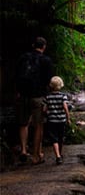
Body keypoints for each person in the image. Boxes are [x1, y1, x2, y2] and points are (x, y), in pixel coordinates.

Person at [15, 36, 53, 164]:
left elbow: (17, 75)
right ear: (44, 47)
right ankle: (36, 155)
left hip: (23, 95)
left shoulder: (23, 58)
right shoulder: (46, 60)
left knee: (23, 123)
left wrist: (18, 92)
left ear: (33, 45)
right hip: (38, 96)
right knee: (38, 126)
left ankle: (24, 150)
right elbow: (49, 81)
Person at [43, 76, 70, 165]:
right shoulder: (63, 96)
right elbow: (65, 108)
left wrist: (47, 114)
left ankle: (58, 156)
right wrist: (68, 118)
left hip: (52, 121)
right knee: (60, 138)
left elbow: (45, 110)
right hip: (61, 120)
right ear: (61, 85)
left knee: (54, 139)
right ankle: (60, 154)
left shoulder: (48, 97)